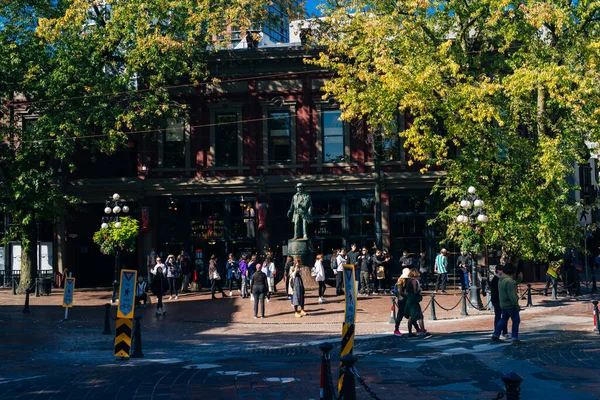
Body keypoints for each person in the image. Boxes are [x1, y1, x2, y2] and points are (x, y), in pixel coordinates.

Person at [491, 263, 522, 343]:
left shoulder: (501, 279)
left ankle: (495, 334)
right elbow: (511, 294)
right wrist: (516, 304)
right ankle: (514, 338)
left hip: (503, 304)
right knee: (516, 320)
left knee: (503, 319)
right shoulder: (509, 281)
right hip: (510, 304)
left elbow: (511, 285)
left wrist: (518, 280)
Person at [405, 269, 428, 337]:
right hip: (414, 299)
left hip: (409, 299)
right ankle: (423, 331)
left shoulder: (408, 281)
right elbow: (415, 291)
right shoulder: (414, 281)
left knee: (411, 316)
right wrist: (419, 291)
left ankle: (410, 332)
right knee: (420, 316)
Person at [490, 265, 509, 339]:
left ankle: (504, 331)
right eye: (501, 270)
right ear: (498, 270)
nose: (502, 272)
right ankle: (498, 331)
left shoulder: (500, 279)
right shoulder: (496, 279)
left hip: (500, 300)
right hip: (497, 300)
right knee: (499, 316)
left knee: (504, 316)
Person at [393, 268, 410, 336]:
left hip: (402, 299)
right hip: (402, 300)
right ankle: (396, 329)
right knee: (401, 315)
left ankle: (417, 328)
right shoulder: (400, 282)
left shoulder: (405, 281)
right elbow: (400, 292)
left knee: (408, 315)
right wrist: (408, 295)